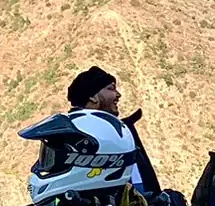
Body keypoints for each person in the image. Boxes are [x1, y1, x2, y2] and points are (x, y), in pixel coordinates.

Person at [66, 65, 161, 194]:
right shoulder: (70, 136)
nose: (118, 95)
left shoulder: (120, 133)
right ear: (92, 97)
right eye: (110, 88)